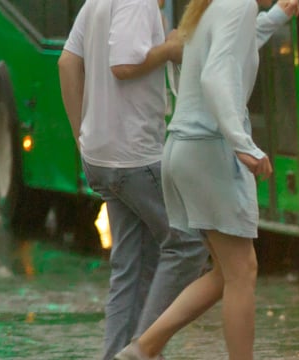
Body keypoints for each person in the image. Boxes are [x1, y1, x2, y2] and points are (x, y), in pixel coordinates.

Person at [113, 1, 299, 359]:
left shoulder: (217, 6)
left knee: (225, 274)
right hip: (207, 150)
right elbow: (216, 75)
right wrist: (242, 143)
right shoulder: (239, 5)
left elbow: (237, 46)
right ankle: (144, 349)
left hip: (185, 149)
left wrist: (278, 15)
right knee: (242, 272)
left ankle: (143, 349)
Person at [58, 1, 209, 359]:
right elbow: (124, 65)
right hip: (135, 157)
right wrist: (171, 49)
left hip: (102, 157)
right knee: (190, 244)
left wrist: (84, 137)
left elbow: (66, 63)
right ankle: (142, 349)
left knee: (133, 266)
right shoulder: (137, 2)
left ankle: (120, 354)